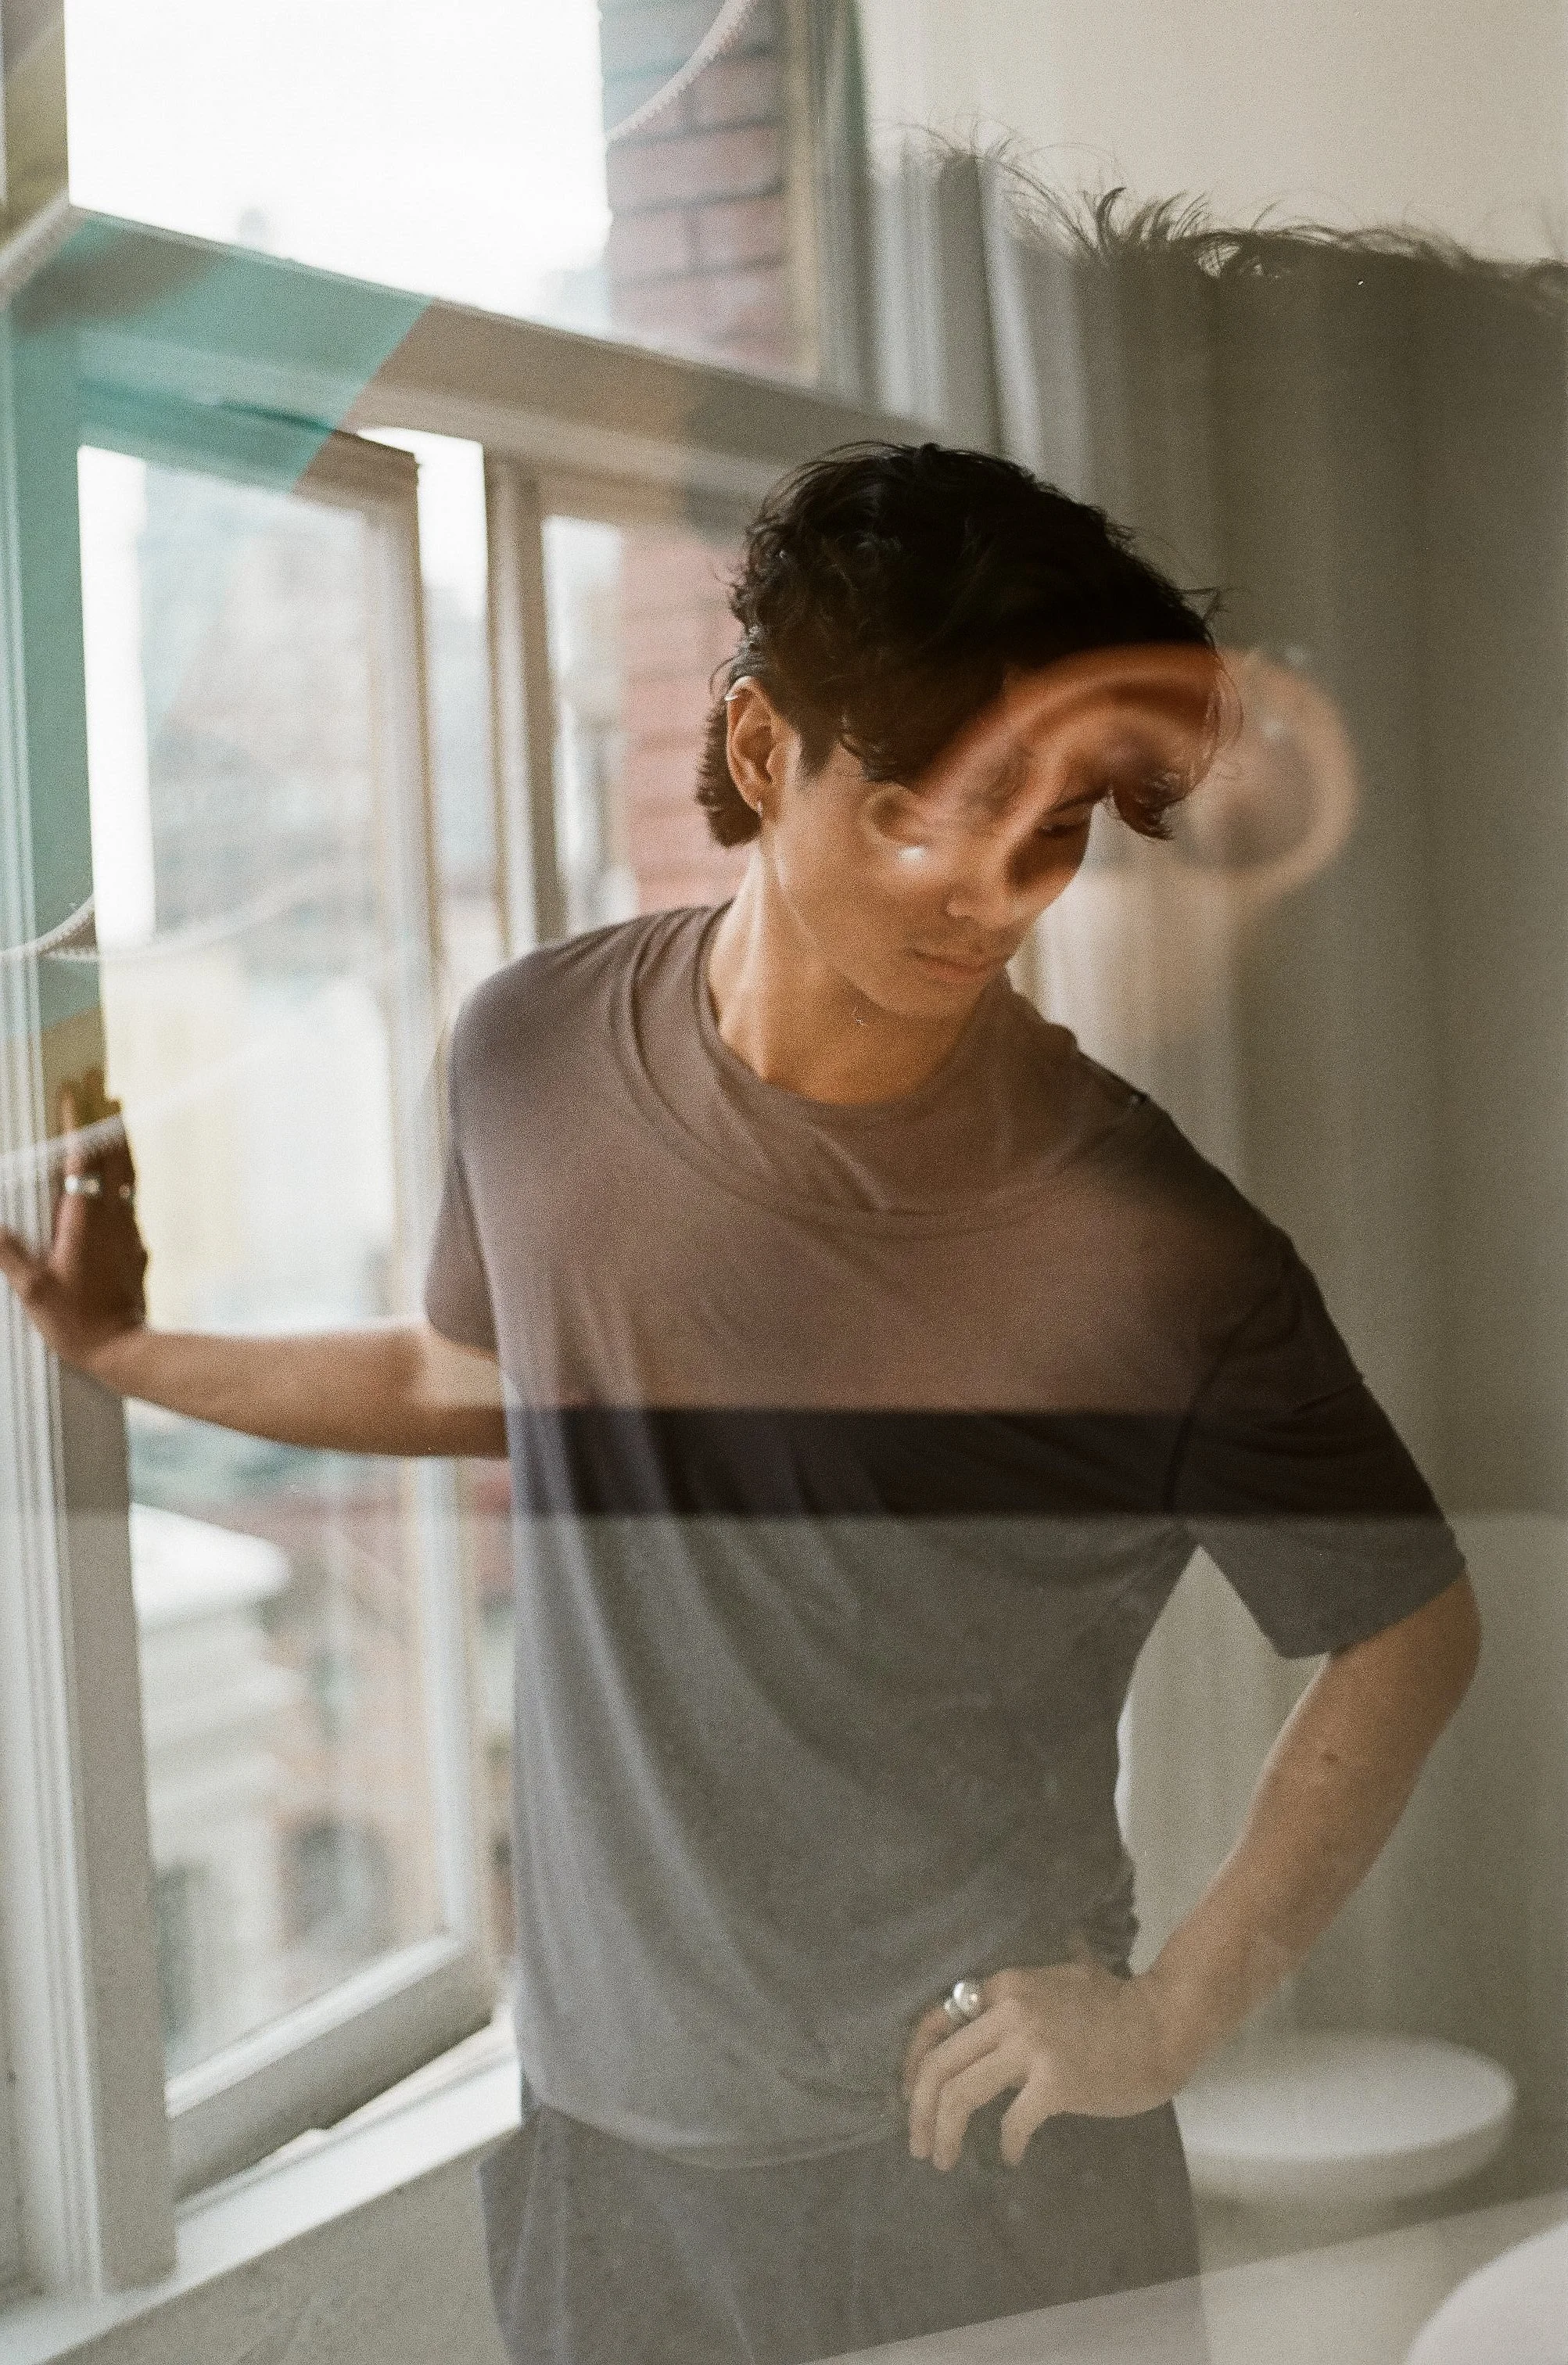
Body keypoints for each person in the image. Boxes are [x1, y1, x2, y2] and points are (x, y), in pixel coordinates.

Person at [0, 443, 1480, 2365]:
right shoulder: (529, 1057)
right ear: (767, 754)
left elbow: (1406, 1627)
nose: (984, 897)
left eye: (1047, 838)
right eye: (916, 817)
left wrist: (1180, 2007)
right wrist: (132, 1357)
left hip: (982, 2182)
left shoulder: (1150, 1243)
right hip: (611, 2160)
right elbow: (474, 1377)